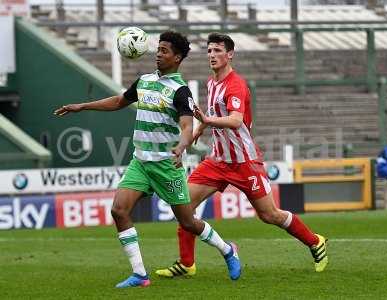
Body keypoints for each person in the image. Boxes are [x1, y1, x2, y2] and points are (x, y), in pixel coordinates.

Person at [54, 31, 241, 288]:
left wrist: (182, 145)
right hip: (140, 162)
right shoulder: (144, 81)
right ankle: (140, 275)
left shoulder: (180, 91)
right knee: (119, 210)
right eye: (158, 49)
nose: (158, 54)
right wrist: (82, 106)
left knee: (188, 222)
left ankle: (227, 250)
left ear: (177, 57)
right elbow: (120, 101)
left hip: (167, 166)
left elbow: (187, 126)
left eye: (164, 51)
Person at [156, 33, 328, 278]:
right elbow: (213, 111)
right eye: (209, 51)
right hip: (217, 161)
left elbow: (236, 121)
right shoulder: (212, 82)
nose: (212, 55)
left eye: (217, 51)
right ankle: (186, 263)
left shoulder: (236, 84)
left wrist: (206, 120)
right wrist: (199, 130)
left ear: (230, 54)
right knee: (183, 207)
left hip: (244, 162)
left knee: (270, 215)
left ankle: (315, 241)